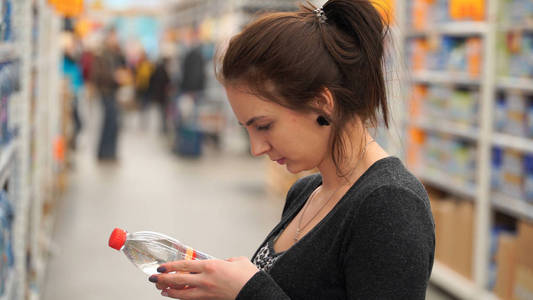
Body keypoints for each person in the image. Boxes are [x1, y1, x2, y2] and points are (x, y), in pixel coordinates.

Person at [149, 1, 435, 299]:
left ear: (322, 104)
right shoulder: (306, 192)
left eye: (263, 125)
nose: (257, 148)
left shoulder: (389, 204)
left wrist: (248, 290)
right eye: (246, 129)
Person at [91, 28, 126, 161]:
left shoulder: (116, 53)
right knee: (108, 122)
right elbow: (97, 75)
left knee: (114, 123)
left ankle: (110, 152)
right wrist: (114, 77)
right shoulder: (102, 54)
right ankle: (103, 152)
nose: (114, 39)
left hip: (113, 91)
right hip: (105, 91)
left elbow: (122, 66)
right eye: (112, 37)